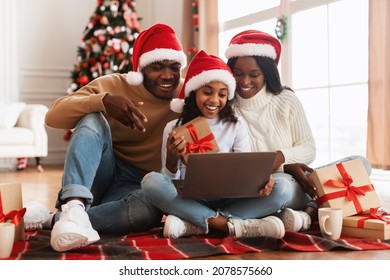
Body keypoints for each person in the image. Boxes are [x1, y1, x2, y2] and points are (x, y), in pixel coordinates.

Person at [23, 23, 188, 252]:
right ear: (140, 69)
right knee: (92, 118)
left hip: (138, 185)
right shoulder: (115, 84)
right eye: (157, 67)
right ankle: (74, 203)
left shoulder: (188, 94)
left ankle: (56, 219)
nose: (167, 75)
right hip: (100, 173)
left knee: (148, 211)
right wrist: (103, 101)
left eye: (174, 67)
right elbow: (52, 116)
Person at [225, 29, 372, 232]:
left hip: (300, 177)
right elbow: (235, 165)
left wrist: (281, 157)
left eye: (254, 75)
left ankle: (305, 210)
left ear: (267, 73)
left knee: (359, 163)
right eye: (238, 74)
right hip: (269, 186)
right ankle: (306, 209)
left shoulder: (286, 100)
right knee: (282, 189)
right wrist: (283, 168)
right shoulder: (226, 107)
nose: (244, 81)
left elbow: (309, 149)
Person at [141, 50, 286, 239]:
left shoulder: (235, 125)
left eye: (222, 94)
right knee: (151, 182)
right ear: (194, 92)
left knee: (282, 188)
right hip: (189, 199)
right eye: (207, 92)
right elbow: (169, 182)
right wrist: (171, 159)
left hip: (230, 199)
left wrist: (262, 182)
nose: (214, 100)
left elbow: (245, 169)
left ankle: (198, 223)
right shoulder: (173, 128)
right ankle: (227, 225)